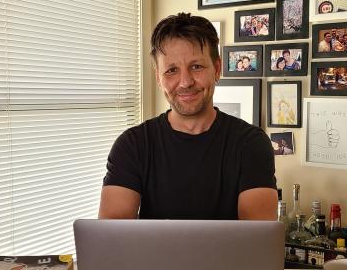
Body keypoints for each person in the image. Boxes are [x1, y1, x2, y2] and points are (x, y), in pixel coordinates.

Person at [98, 12, 278, 220]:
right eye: (171, 70)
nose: (185, 82)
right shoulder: (132, 145)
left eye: (196, 66)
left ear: (217, 69)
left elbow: (256, 243)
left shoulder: (251, 144)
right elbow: (111, 240)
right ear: (158, 78)